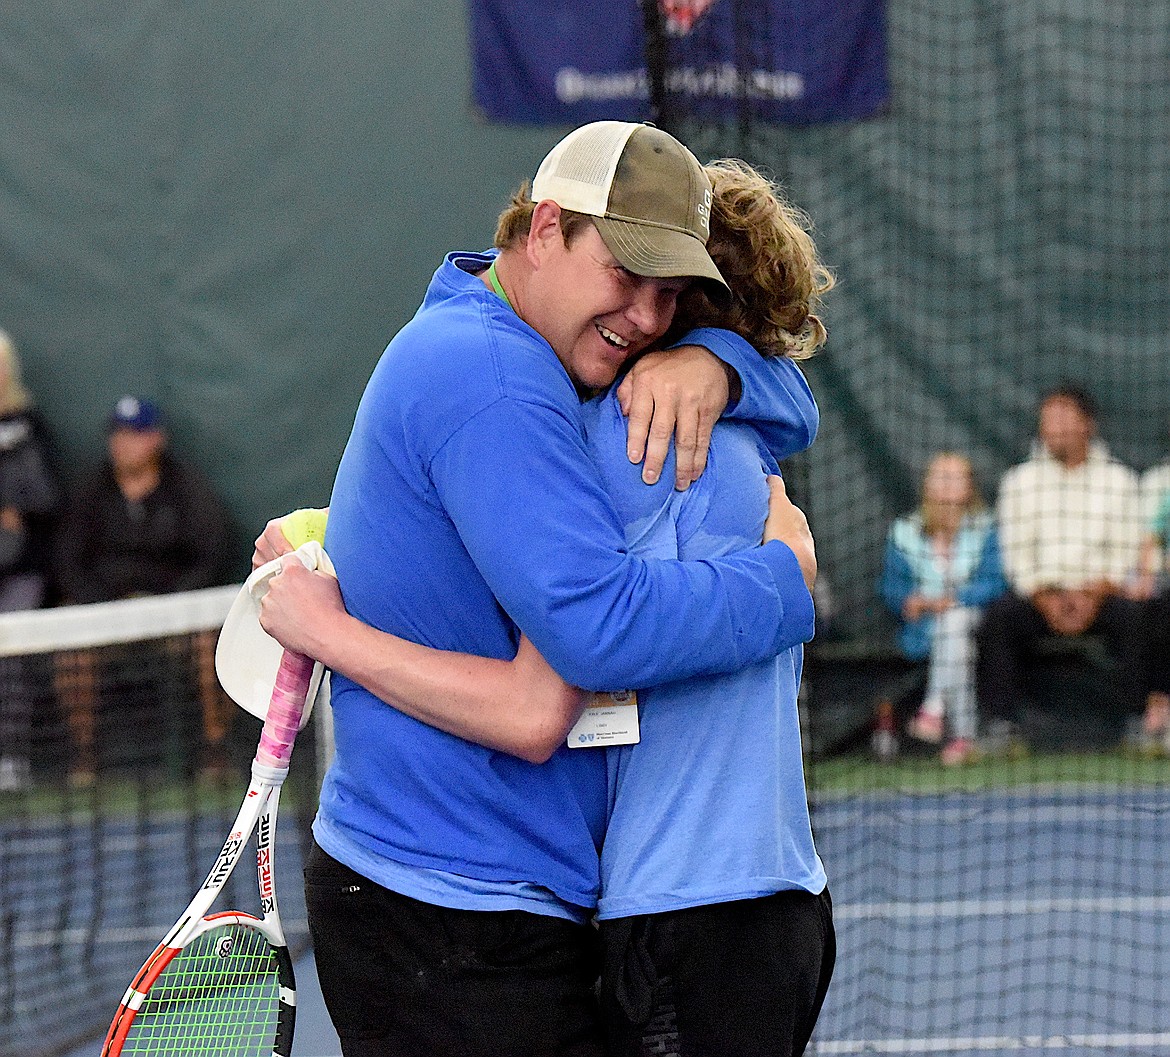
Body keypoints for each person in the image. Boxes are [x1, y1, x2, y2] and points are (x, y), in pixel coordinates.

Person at [253, 123, 822, 1057]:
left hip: (504, 905)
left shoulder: (510, 343)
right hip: (448, 914)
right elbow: (579, 652)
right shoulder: (504, 382)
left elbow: (792, 399)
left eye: (669, 298)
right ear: (546, 226)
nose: (644, 315)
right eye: (623, 274)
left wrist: (726, 363)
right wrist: (782, 583)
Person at [54, 396, 234, 783]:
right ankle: (84, 759)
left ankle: (216, 752)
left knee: (212, 646)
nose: (124, 444)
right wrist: (103, 605)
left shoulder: (185, 487)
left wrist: (171, 605)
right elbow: (68, 560)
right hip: (106, 616)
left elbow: (211, 550)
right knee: (72, 653)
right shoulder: (91, 490)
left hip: (174, 619)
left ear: (156, 440)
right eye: (118, 435)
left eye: (135, 435)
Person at [977, 384, 1145, 749]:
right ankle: (1002, 727)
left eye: (1064, 418)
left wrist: (1094, 595)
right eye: (1048, 420)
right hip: (1039, 598)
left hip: (1101, 597)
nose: (1054, 428)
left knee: (1139, 619)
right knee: (997, 620)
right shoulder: (1020, 482)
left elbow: (1126, 551)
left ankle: (1139, 723)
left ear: (1089, 424)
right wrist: (1045, 597)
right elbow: (1016, 556)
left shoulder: (1119, 481)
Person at [878, 452, 1007, 765]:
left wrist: (953, 600)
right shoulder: (904, 532)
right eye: (941, 476)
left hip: (979, 623)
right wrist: (913, 600)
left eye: (956, 476)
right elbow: (891, 587)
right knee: (954, 635)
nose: (948, 484)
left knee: (956, 620)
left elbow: (995, 582)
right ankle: (963, 737)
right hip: (924, 628)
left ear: (970, 486)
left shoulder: (985, 528)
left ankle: (934, 707)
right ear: (927, 485)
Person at [0, 329, 61, 793]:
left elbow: (44, 498)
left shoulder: (30, 428)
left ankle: (11, 754)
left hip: (21, 570)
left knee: (11, 659)